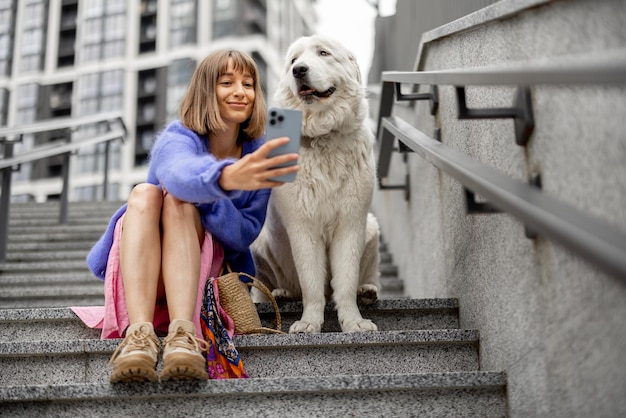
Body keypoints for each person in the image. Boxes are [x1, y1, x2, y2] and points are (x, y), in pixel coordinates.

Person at [85, 50, 298, 383]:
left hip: (199, 273)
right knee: (147, 192)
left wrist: (210, 202)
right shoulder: (178, 136)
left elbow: (244, 235)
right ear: (206, 91)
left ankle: (183, 334)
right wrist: (223, 180)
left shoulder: (258, 152)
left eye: (248, 83)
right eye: (227, 82)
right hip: (145, 271)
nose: (240, 91)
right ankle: (137, 337)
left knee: (181, 204)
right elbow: (176, 173)